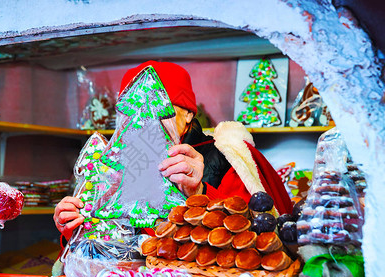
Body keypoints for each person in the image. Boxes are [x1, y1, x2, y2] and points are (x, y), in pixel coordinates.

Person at [54, 61, 292, 240]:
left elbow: (253, 234)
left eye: (161, 107)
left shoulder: (224, 158)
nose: (144, 119)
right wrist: (72, 227)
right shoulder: (113, 166)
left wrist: (199, 190)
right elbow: (95, 242)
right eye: (132, 112)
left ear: (189, 113)